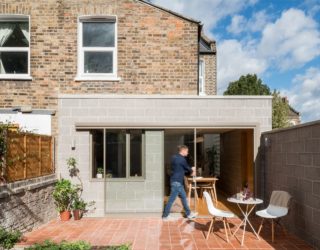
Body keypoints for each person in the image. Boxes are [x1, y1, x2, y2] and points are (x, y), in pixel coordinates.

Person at [162, 145, 197, 220]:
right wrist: (192, 169)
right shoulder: (182, 159)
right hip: (177, 182)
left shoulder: (174, 157)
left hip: (175, 181)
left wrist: (188, 170)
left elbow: (179, 169)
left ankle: (189, 213)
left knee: (184, 197)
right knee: (171, 199)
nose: (187, 153)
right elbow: (187, 168)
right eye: (187, 151)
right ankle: (165, 216)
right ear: (183, 151)